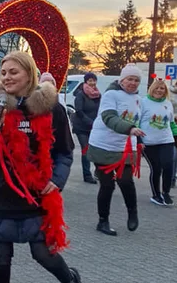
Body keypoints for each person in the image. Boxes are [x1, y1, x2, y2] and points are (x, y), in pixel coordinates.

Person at [0, 51, 88, 283]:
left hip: (37, 196)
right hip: (1, 192)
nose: (7, 77)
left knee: (43, 254)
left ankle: (70, 281)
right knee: (1, 257)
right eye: (3, 71)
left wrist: (57, 179)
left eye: (13, 71)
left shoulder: (51, 109)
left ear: (29, 74)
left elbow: (65, 151)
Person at [87, 64, 143, 236]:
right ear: (121, 80)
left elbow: (141, 121)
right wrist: (130, 129)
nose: (133, 83)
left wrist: (140, 138)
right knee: (107, 185)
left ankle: (132, 212)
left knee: (126, 181)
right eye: (130, 79)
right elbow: (109, 118)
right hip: (103, 146)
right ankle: (103, 221)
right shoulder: (111, 95)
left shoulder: (139, 99)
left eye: (136, 80)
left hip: (125, 147)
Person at [139, 77, 175, 207]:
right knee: (156, 168)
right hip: (149, 142)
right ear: (152, 89)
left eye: (162, 88)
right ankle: (156, 194)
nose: (159, 90)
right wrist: (138, 140)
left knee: (168, 165)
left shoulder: (167, 103)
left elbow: (171, 123)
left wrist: (176, 136)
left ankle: (166, 192)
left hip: (166, 140)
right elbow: (136, 122)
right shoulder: (143, 102)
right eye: (157, 88)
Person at [72, 73, 101, 183]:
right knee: (86, 150)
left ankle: (98, 172)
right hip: (81, 127)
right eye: (90, 80)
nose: (92, 83)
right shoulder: (81, 94)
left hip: (94, 127)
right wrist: (90, 122)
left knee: (96, 150)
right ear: (85, 82)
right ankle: (87, 175)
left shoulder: (98, 94)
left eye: (94, 80)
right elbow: (79, 111)